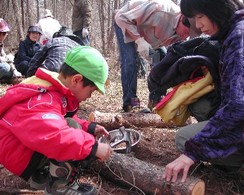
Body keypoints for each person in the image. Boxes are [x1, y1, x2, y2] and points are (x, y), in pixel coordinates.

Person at [162, 0, 244, 192]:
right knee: (200, 105)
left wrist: (193, 152)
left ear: (217, 9)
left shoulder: (240, 38)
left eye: (200, 17)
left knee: (184, 139)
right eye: (193, 18)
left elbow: (239, 108)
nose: (198, 25)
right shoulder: (239, 30)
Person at [0, 46, 113, 194]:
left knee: (72, 126)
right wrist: (93, 147)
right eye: (91, 91)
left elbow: (58, 119)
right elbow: (55, 135)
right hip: (19, 155)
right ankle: (60, 187)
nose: (89, 96)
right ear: (76, 80)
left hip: (21, 148)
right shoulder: (43, 99)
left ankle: (41, 177)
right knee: (71, 130)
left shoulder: (50, 88)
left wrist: (89, 127)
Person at [114, 0, 201, 112]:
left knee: (163, 62)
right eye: (186, 32)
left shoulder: (181, 33)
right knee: (130, 61)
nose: (186, 37)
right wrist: (139, 41)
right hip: (126, 22)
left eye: (189, 35)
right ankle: (131, 103)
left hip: (150, 37)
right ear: (182, 19)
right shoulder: (160, 10)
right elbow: (120, 17)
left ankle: (156, 101)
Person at [0, 18, 22, 83]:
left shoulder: (1, 44)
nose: (6, 35)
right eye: (4, 33)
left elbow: (6, 58)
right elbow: (4, 59)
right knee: (5, 67)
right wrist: (4, 59)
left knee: (10, 70)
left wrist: (14, 70)